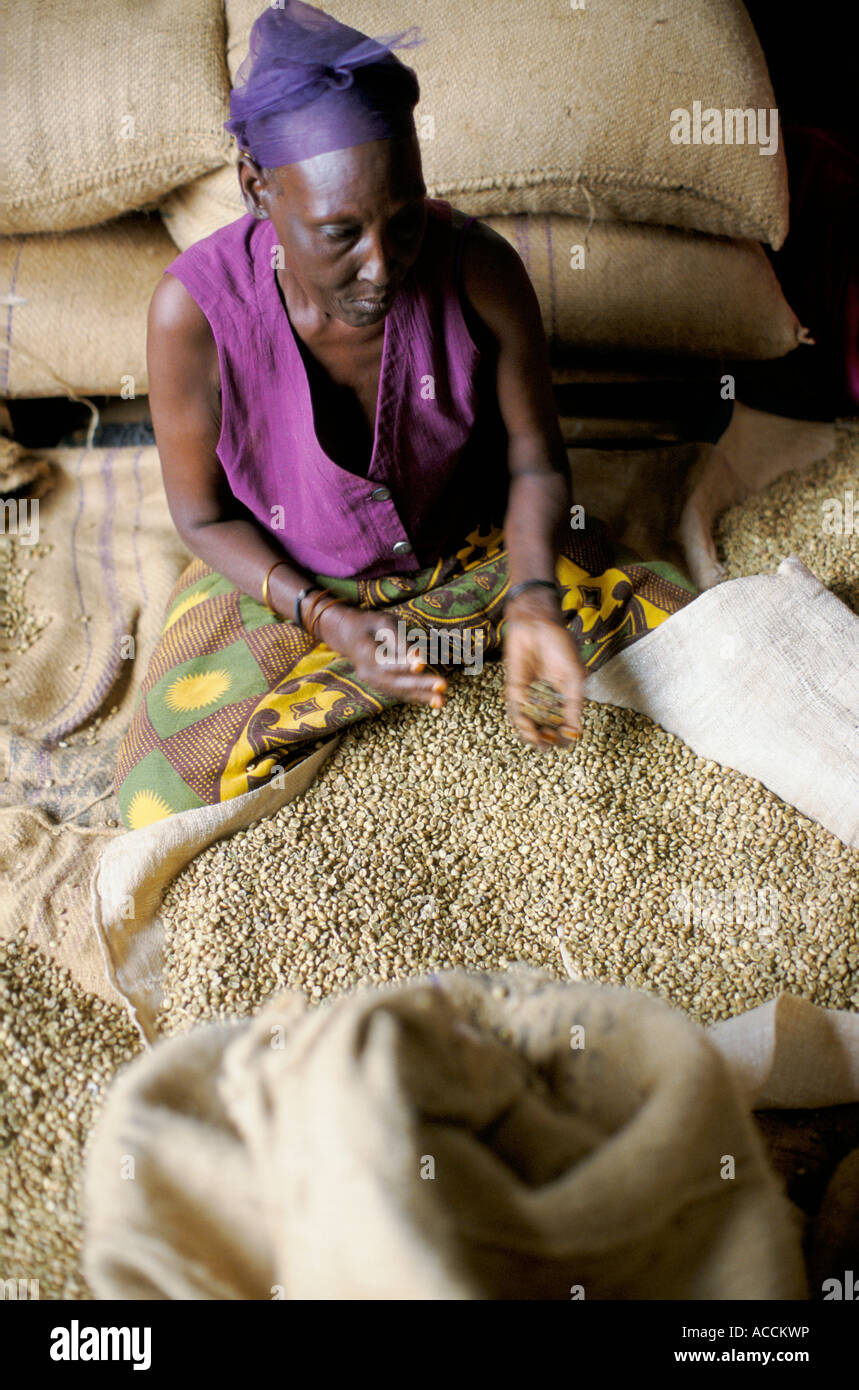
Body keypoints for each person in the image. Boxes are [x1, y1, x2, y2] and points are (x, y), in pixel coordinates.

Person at [114, 0, 695, 829]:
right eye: (338, 233)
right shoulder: (192, 314)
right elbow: (201, 517)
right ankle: (349, 664)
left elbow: (534, 461)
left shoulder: (480, 270)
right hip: (289, 580)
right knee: (160, 785)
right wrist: (329, 619)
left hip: (475, 554)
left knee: (681, 628)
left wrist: (531, 597)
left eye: (405, 219)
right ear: (257, 188)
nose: (381, 267)